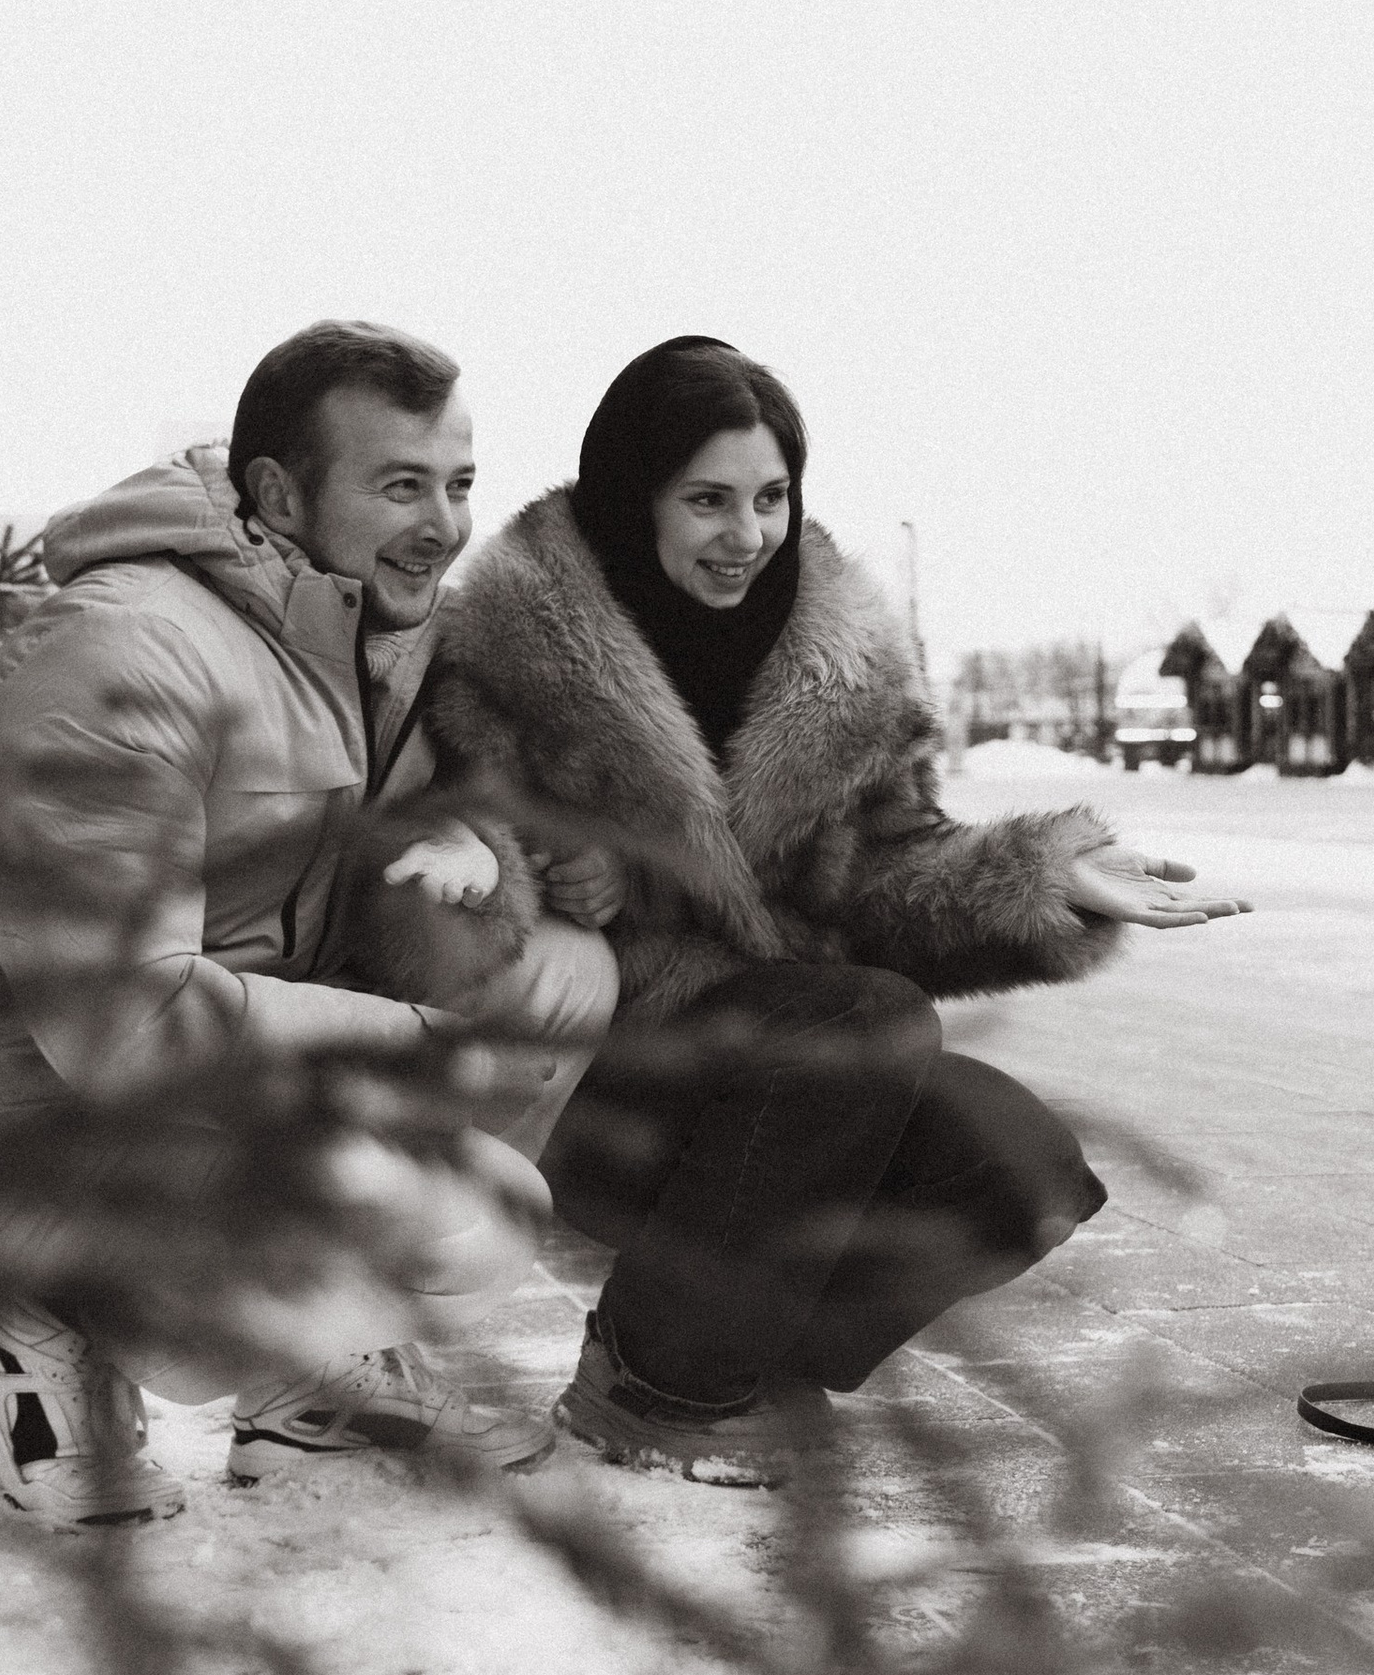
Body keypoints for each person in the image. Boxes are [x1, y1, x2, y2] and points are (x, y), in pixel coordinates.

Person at [367, 334, 1249, 1487]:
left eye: (771, 497)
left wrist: (1038, 876)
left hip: (784, 1067)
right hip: (594, 1076)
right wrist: (542, 875)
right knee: (859, 1018)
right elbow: (444, 859)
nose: (747, 536)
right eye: (707, 501)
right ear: (636, 499)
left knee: (1019, 1169)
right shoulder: (505, 654)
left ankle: (734, 1357)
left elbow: (882, 875)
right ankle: (651, 1382)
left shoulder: (845, 669)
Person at [0, 321, 619, 1525]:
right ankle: (42, 1329)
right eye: (400, 484)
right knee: (470, 1211)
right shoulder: (126, 652)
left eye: (459, 484)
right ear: (275, 491)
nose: (443, 524)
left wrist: (480, 854)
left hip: (181, 1083)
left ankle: (305, 1387)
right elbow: (120, 1017)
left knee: (559, 976)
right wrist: (405, 1043)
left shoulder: (372, 640)